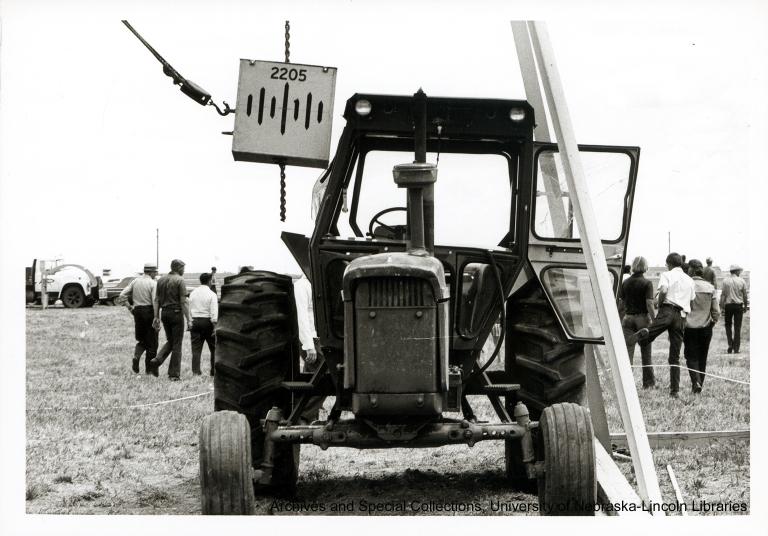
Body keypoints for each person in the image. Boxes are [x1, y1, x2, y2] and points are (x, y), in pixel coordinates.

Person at [629, 252, 695, 397]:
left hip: (667, 309)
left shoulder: (667, 275)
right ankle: (674, 391)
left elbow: (664, 289)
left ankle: (644, 335)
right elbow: (691, 301)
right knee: (675, 356)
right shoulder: (690, 279)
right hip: (681, 315)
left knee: (650, 334)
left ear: (668, 264)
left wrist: (660, 303)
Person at [150, 259, 192, 381]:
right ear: (178, 268)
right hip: (176, 313)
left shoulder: (161, 280)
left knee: (171, 340)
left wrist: (156, 317)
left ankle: (157, 360)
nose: (184, 270)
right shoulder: (180, 280)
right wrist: (189, 319)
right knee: (177, 344)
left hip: (165, 313)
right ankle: (174, 374)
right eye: (183, 268)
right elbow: (183, 301)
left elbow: (156, 300)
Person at [683, 260, 720, 393]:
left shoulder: (686, 286)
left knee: (691, 356)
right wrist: (712, 322)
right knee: (702, 356)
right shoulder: (710, 287)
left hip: (689, 327)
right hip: (705, 327)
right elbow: (716, 311)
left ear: (691, 270)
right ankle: (700, 383)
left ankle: (695, 382)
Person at [620, 256, 656, 389]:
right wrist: (654, 319)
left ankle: (627, 383)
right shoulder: (647, 283)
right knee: (646, 353)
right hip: (643, 319)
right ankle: (648, 383)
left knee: (628, 352)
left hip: (628, 319)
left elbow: (622, 304)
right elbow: (649, 303)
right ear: (645, 267)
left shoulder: (625, 283)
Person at [118, 263, 159, 375]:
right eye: (155, 272)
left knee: (141, 340)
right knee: (152, 342)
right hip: (149, 311)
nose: (156, 274)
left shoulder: (135, 281)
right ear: (151, 272)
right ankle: (149, 370)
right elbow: (155, 300)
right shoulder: (153, 283)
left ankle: (136, 356)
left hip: (137, 311)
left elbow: (122, 295)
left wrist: (129, 307)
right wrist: (156, 317)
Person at [293, 273, 323, 422]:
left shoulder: (317, 284)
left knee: (311, 377)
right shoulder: (301, 286)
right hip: (310, 339)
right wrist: (308, 345)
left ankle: (309, 415)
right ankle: (304, 415)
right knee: (325, 372)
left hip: (319, 338)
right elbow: (302, 316)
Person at [189, 273, 218, 376]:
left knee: (196, 349)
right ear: (210, 281)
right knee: (214, 348)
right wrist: (215, 327)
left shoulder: (193, 293)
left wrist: (190, 321)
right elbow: (214, 313)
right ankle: (213, 371)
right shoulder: (212, 294)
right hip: (208, 322)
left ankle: (196, 372)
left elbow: (189, 308)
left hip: (195, 321)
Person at [720, 264, 749, 353]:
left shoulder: (725, 281)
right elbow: (745, 295)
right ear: (736, 271)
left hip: (728, 306)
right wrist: (745, 305)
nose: (740, 272)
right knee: (737, 327)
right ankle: (736, 348)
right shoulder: (742, 281)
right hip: (738, 306)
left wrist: (722, 307)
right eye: (739, 271)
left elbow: (723, 295)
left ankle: (730, 344)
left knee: (728, 326)